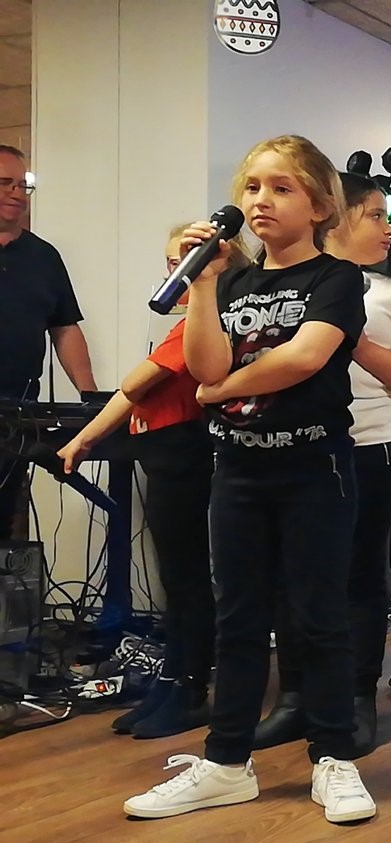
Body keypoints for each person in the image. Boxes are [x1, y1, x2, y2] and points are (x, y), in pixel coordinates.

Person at [122, 134, 376, 823]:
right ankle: (227, 763)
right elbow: (204, 366)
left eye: (282, 188)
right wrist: (204, 285)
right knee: (237, 618)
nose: (262, 200)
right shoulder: (230, 282)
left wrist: (220, 390)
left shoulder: (336, 279)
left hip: (314, 469)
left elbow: (304, 357)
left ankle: (334, 759)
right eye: (253, 187)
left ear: (319, 206)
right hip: (237, 470)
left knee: (318, 618)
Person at [254, 173, 391, 754]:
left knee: (359, 576)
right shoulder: (277, 283)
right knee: (289, 576)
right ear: (338, 216)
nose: (389, 231)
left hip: (367, 450)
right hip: (286, 447)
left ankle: (356, 698)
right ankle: (294, 699)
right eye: (377, 216)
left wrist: (350, 337)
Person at [58, 224, 245, 739]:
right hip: (166, 456)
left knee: (185, 578)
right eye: (170, 262)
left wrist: (83, 440)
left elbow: (133, 386)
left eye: (180, 260)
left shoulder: (199, 328)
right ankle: (173, 679)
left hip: (182, 456)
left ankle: (188, 686)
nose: (173, 272)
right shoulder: (190, 326)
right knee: (177, 578)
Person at [0, 144, 97, 540]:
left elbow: (65, 328)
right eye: (5, 183)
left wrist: (91, 399)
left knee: (4, 523)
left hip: (15, 419)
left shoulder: (43, 257)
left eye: (22, 185)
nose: (16, 193)